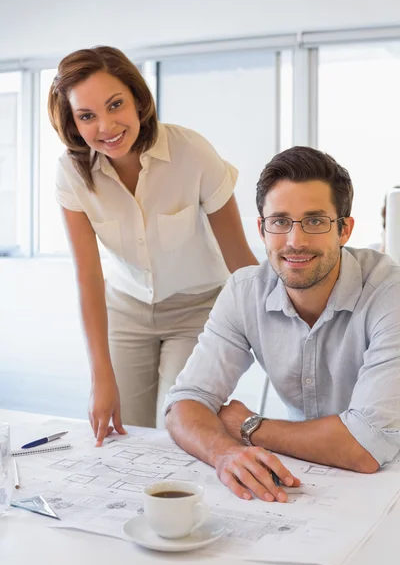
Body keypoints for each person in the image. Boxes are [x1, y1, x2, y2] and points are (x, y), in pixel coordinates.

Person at [164, 146, 400, 503]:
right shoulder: (244, 292)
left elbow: (365, 447)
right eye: (280, 221)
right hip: (308, 474)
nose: (295, 241)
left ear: (345, 230)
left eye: (315, 221)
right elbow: (186, 402)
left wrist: (250, 427)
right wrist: (223, 453)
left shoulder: (389, 293)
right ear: (262, 229)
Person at [48, 45, 258, 445]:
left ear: (138, 100)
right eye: (87, 115)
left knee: (179, 428)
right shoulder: (71, 173)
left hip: (198, 310)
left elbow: (240, 261)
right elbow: (88, 278)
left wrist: (279, 335)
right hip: (126, 312)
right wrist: (100, 377)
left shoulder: (191, 152)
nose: (106, 126)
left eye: (115, 105)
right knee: (121, 433)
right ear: (73, 122)